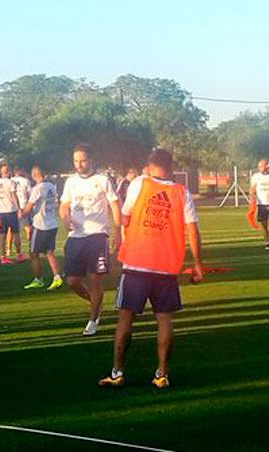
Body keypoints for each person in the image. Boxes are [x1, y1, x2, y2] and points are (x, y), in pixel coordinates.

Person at [98, 148, 204, 389]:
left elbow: (124, 217)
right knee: (164, 319)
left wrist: (122, 233)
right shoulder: (182, 192)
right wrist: (198, 264)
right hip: (166, 266)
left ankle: (117, 372)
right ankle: (162, 374)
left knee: (126, 317)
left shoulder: (139, 184)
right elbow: (193, 231)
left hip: (136, 262)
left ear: (149, 164)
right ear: (171, 167)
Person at [59, 143, 121, 336]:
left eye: (83, 160)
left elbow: (115, 205)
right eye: (76, 161)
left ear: (91, 160)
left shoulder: (102, 180)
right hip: (76, 237)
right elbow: (64, 205)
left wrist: (118, 231)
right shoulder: (70, 182)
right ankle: (96, 302)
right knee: (72, 280)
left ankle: (93, 320)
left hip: (97, 235)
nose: (79, 164)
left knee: (96, 280)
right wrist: (66, 218)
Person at [20, 165, 63, 290]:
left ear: (34, 175)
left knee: (33, 253)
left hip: (41, 225)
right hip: (53, 223)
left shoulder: (37, 188)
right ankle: (57, 277)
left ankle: (39, 279)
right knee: (50, 252)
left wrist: (21, 214)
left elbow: (29, 207)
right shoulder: (51, 186)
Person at [0, 163, 24, 265]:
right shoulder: (11, 182)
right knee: (16, 233)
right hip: (10, 211)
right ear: (9, 172)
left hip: (0, 212)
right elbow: (13, 195)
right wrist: (19, 208)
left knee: (2, 235)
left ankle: (3, 257)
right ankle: (19, 255)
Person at [250, 159, 269, 249]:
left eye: (262, 166)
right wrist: (253, 197)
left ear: (267, 166)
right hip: (261, 204)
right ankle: (267, 242)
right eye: (259, 166)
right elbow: (252, 189)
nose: (261, 168)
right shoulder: (256, 176)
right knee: (264, 226)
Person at [12, 167, 33, 250]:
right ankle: (30, 244)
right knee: (27, 226)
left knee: (12, 229)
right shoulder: (26, 181)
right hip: (24, 206)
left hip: (13, 207)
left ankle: (9, 249)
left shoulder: (11, 180)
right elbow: (29, 194)